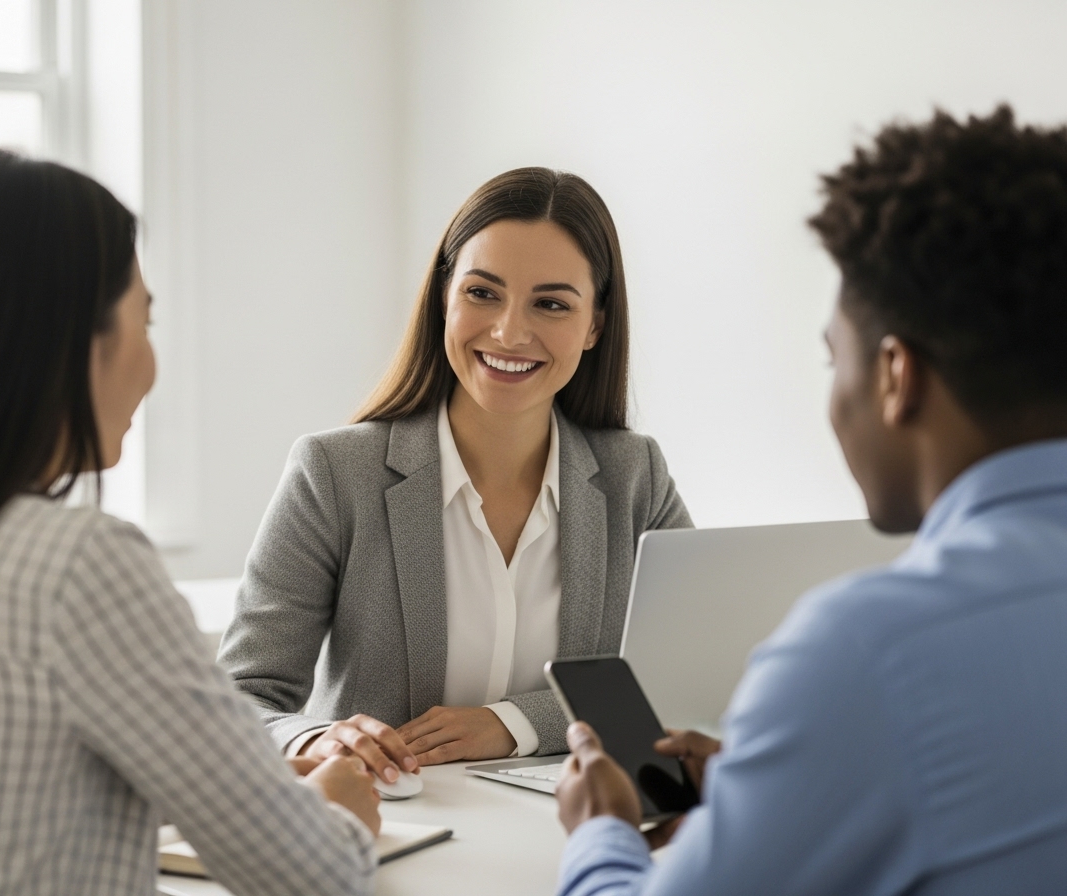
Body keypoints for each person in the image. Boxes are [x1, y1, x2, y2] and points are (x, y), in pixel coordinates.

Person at [0, 150, 379, 896]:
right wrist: (335, 812)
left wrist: (200, 792)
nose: (151, 363)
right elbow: (310, 875)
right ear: (71, 342)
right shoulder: (75, 565)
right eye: (146, 319)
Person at [554, 105, 1067, 895]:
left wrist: (602, 835)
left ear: (897, 377)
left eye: (837, 361)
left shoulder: (870, 652)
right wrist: (798, 784)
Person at [219, 168, 691, 785]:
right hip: (397, 838)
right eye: (482, 293)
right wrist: (318, 736)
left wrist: (516, 723)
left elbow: (680, 677)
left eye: (550, 304)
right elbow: (239, 699)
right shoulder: (334, 475)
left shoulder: (636, 477)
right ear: (445, 296)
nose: (509, 332)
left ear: (595, 325)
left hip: (574, 838)